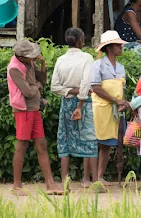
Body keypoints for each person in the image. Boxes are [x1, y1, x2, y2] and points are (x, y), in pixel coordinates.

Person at [7, 40, 63, 196]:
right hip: (23, 109)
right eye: (30, 56)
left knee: (42, 145)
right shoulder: (14, 69)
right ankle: (16, 186)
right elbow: (28, 91)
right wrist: (37, 86)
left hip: (34, 108)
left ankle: (50, 184)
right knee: (22, 145)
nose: (34, 58)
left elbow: (42, 81)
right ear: (21, 56)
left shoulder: (28, 63)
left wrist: (43, 64)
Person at [50, 28, 98, 188]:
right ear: (80, 41)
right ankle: (90, 180)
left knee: (64, 138)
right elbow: (86, 83)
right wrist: (80, 101)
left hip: (66, 103)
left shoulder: (61, 59)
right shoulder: (87, 58)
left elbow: (54, 86)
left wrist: (69, 90)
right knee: (89, 138)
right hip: (84, 104)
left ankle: (65, 179)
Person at [90, 30, 129, 185]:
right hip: (101, 108)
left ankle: (100, 176)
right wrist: (115, 100)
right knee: (96, 142)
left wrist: (122, 103)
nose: (121, 47)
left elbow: (121, 89)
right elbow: (96, 87)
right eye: (118, 45)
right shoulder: (97, 65)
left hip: (116, 110)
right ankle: (92, 177)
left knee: (108, 143)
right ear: (110, 47)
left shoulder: (120, 67)